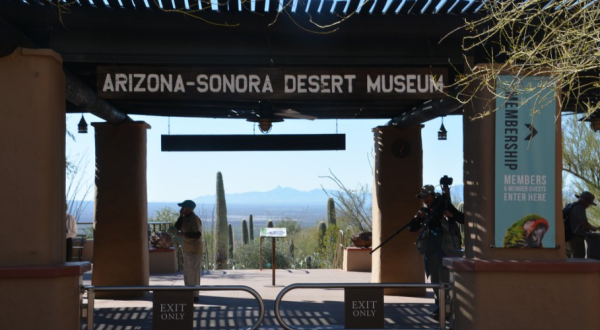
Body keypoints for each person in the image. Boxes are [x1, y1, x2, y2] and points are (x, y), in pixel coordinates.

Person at [409, 185, 464, 319]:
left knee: (445, 281)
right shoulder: (424, 211)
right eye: (422, 197)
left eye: (426, 196)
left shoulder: (444, 207)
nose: (424, 199)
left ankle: (446, 309)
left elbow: (462, 218)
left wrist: (451, 215)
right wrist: (418, 217)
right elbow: (411, 228)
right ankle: (440, 308)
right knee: (434, 282)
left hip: (445, 251)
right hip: (430, 252)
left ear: (433, 195)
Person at [174, 199, 203, 302]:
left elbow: (197, 234)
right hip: (187, 248)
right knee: (187, 272)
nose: (182, 209)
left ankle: (195, 295)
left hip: (194, 249)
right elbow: (176, 227)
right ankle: (188, 291)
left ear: (189, 209)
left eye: (184, 208)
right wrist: (180, 216)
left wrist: (184, 235)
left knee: (194, 272)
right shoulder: (184, 218)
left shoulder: (194, 219)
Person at [566, 191, 599, 258]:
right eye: (589, 204)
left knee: (569, 262)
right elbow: (585, 225)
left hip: (567, 238)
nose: (588, 206)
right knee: (578, 261)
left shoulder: (569, 206)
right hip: (576, 239)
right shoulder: (580, 208)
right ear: (585, 201)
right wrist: (595, 228)